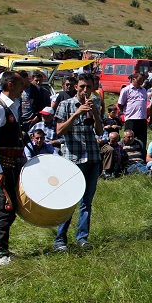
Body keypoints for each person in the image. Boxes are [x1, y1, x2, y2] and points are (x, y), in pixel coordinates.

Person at [53, 73, 104, 251]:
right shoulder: (65, 105)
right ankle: (60, 239)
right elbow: (59, 131)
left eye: (88, 87)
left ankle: (82, 237)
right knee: (69, 200)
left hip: (92, 158)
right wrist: (76, 114)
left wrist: (95, 113)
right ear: (76, 87)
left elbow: (99, 132)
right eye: (82, 87)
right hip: (73, 159)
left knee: (86, 203)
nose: (84, 91)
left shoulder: (95, 103)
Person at [0, 71, 26, 266]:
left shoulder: (14, 107)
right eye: (20, 85)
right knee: (6, 208)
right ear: (9, 84)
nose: (23, 88)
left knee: (13, 207)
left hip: (14, 164)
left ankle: (4, 249)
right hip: (4, 166)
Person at [117, 72, 148, 147]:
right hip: (131, 118)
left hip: (142, 119)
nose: (141, 82)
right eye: (139, 80)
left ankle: (141, 156)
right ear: (133, 79)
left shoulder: (143, 90)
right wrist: (125, 112)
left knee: (142, 141)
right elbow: (120, 104)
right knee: (129, 140)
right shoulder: (126, 90)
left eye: (142, 80)